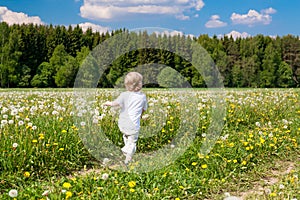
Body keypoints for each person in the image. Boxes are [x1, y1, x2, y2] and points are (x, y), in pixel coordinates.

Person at [103, 72, 148, 165]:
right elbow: (143, 109)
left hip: (123, 124)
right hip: (133, 125)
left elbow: (115, 103)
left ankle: (127, 153)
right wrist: (140, 116)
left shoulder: (124, 95)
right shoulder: (143, 97)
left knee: (126, 136)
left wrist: (108, 103)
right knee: (132, 143)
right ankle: (127, 155)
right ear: (140, 85)